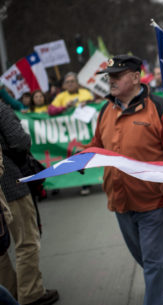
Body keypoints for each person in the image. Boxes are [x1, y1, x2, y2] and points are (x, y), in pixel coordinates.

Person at [86, 55, 163, 305]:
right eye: (109, 76)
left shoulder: (158, 108)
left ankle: (157, 293)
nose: (111, 81)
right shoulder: (105, 109)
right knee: (144, 257)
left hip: (152, 202)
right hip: (120, 201)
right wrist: (80, 156)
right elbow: (97, 146)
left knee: (154, 263)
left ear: (136, 77)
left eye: (117, 75)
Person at [0, 100, 59, 305]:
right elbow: (19, 140)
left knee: (0, 249)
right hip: (10, 182)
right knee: (26, 240)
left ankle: (10, 294)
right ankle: (31, 294)